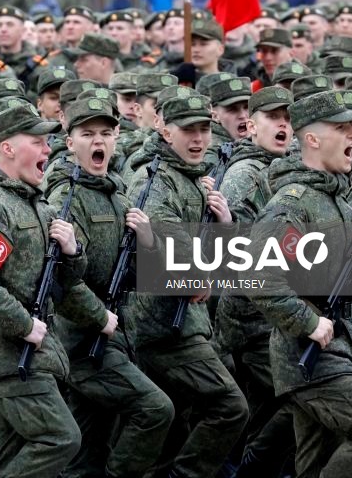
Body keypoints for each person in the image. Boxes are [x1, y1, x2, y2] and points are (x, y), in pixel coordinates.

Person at [0, 97, 95, 478]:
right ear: (8, 147)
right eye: (38, 141)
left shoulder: (36, 205)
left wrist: (72, 252)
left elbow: (64, 283)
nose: (48, 149)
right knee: (60, 438)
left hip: (31, 355)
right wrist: (23, 324)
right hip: (9, 354)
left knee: (15, 453)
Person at [246, 90, 352, 477]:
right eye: (341, 128)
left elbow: (346, 282)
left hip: (340, 350)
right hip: (309, 356)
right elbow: (258, 276)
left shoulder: (339, 202)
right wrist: (308, 321)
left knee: (316, 459)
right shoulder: (293, 202)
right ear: (313, 139)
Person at [45, 96, 175, 478]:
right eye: (87, 134)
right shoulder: (65, 197)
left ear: (117, 138)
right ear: (70, 142)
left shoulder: (117, 196)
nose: (97, 142)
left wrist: (150, 242)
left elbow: (133, 269)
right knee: (155, 409)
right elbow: (61, 281)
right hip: (83, 340)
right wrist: (99, 316)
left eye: (105, 133)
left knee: (87, 450)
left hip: (113, 334)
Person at [125, 92, 249, 477]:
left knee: (175, 420)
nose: (199, 139)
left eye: (203, 130)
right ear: (164, 130)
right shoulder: (157, 183)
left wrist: (224, 223)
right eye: (188, 131)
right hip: (163, 326)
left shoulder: (192, 180)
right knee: (231, 407)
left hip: (186, 322)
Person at [214, 86, 296, 475]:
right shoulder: (246, 176)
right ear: (251, 126)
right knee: (301, 394)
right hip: (249, 320)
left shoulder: (283, 171)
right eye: (273, 118)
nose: (283, 125)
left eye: (288, 118)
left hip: (274, 317)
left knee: (272, 408)